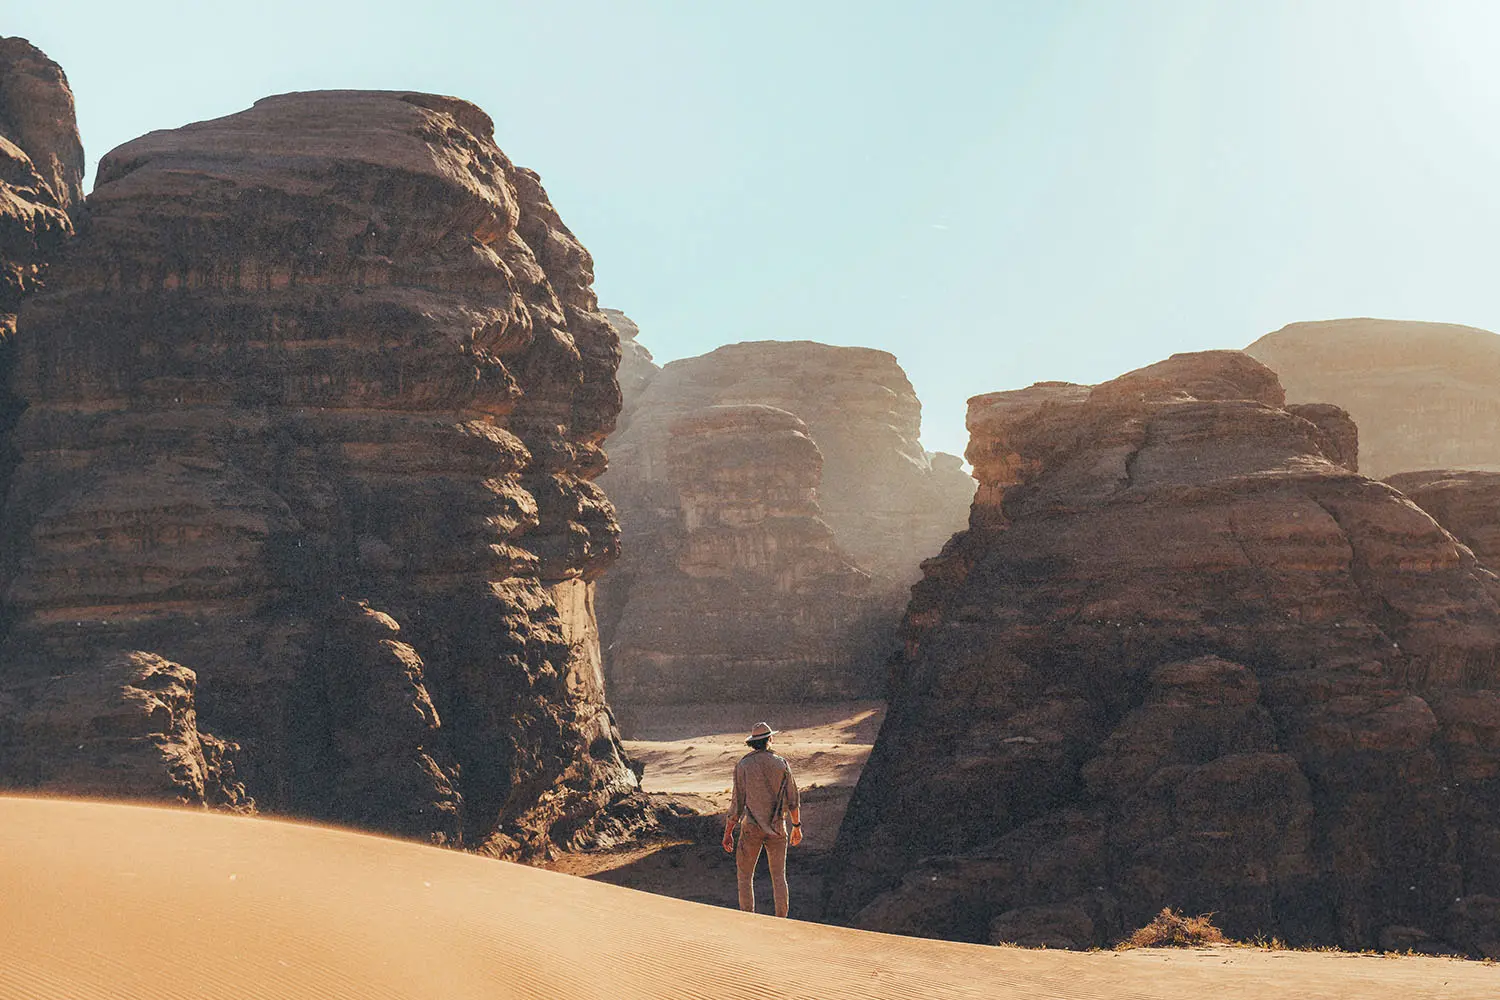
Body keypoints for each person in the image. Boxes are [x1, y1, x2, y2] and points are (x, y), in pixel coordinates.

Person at [721, 721, 802, 917]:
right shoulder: (781, 764)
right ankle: (781, 919)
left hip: (752, 828)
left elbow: (737, 804)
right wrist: (797, 826)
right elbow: (793, 800)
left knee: (745, 877)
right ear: (769, 740)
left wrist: (728, 832)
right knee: (779, 877)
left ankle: (748, 919)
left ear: (752, 743)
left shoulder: (743, 765)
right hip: (778, 828)